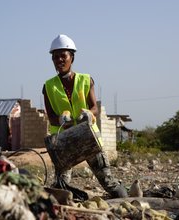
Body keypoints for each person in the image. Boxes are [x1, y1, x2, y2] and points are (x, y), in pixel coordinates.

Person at [42, 34, 128, 198]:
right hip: (64, 141)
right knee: (61, 186)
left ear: (71, 58)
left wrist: (89, 113)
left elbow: (94, 107)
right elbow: (50, 117)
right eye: (55, 57)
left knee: (109, 182)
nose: (59, 60)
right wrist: (60, 119)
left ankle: (129, 203)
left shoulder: (86, 80)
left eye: (63, 56)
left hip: (87, 136)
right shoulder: (48, 86)